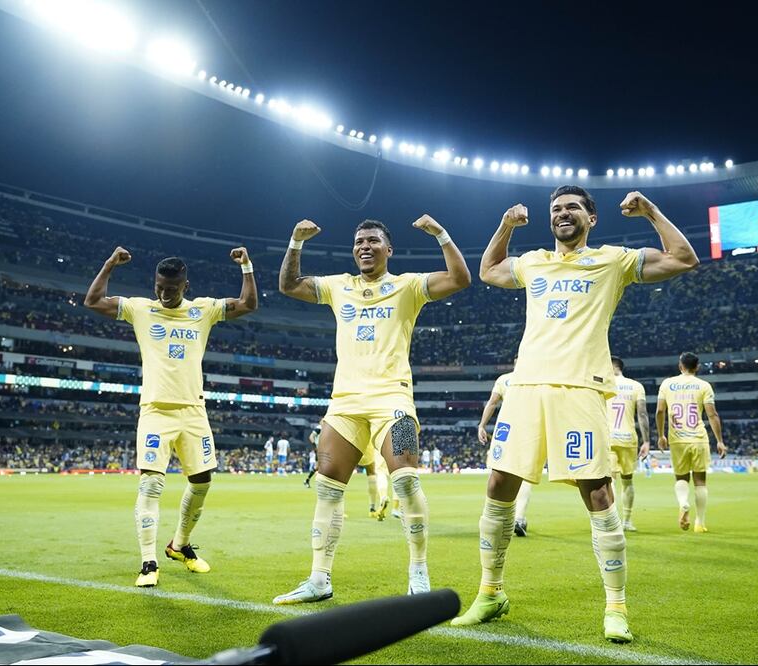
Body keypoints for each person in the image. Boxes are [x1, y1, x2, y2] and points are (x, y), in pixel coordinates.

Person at [453, 187, 699, 644]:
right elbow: (488, 270)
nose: (562, 214)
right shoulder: (533, 262)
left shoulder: (613, 260)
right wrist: (507, 226)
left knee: (598, 493)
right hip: (525, 385)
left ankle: (616, 607)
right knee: (498, 484)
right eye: (556, 210)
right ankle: (490, 593)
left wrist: (651, 212)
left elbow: (683, 259)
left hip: (581, 387)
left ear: (592, 218)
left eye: (572, 208)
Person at [274, 214, 471, 603]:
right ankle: (319, 579)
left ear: (388, 250)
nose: (364, 246)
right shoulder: (337, 287)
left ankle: (418, 572)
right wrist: (296, 241)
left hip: (393, 400)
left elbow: (460, 278)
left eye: (373, 241)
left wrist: (440, 234)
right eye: (359, 241)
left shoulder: (407, 286)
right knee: (328, 487)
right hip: (345, 402)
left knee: (406, 480)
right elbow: (288, 285)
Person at [83, 245, 257, 587]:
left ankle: (179, 545)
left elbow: (249, 304)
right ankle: (148, 562)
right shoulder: (140, 309)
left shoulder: (202, 311)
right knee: (151, 483)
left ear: (185, 287)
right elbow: (93, 301)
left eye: (172, 289)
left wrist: (247, 266)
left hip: (194, 411)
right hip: (155, 411)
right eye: (160, 287)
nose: (164, 294)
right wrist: (109, 264)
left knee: (203, 482)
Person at [655, 352, 726, 534]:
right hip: (698, 438)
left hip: (677, 439)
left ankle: (683, 503)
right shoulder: (704, 386)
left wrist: (661, 435)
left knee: (681, 478)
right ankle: (699, 523)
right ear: (697, 367)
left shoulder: (667, 384)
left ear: (680, 366)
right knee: (700, 481)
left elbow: (660, 411)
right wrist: (719, 441)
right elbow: (712, 414)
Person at [478, 363, 533, 537]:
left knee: (498, 472)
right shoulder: (535, 378)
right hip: (529, 428)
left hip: (505, 430)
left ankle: (493, 519)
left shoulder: (504, 379)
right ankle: (518, 518)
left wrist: (482, 425)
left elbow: (493, 402)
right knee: (526, 476)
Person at [607, 356, 650, 532]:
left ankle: (612, 520)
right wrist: (646, 440)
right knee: (627, 481)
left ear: (612, 366)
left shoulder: (603, 385)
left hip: (608, 438)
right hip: (628, 439)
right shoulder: (636, 386)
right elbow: (642, 414)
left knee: (610, 482)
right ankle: (627, 521)